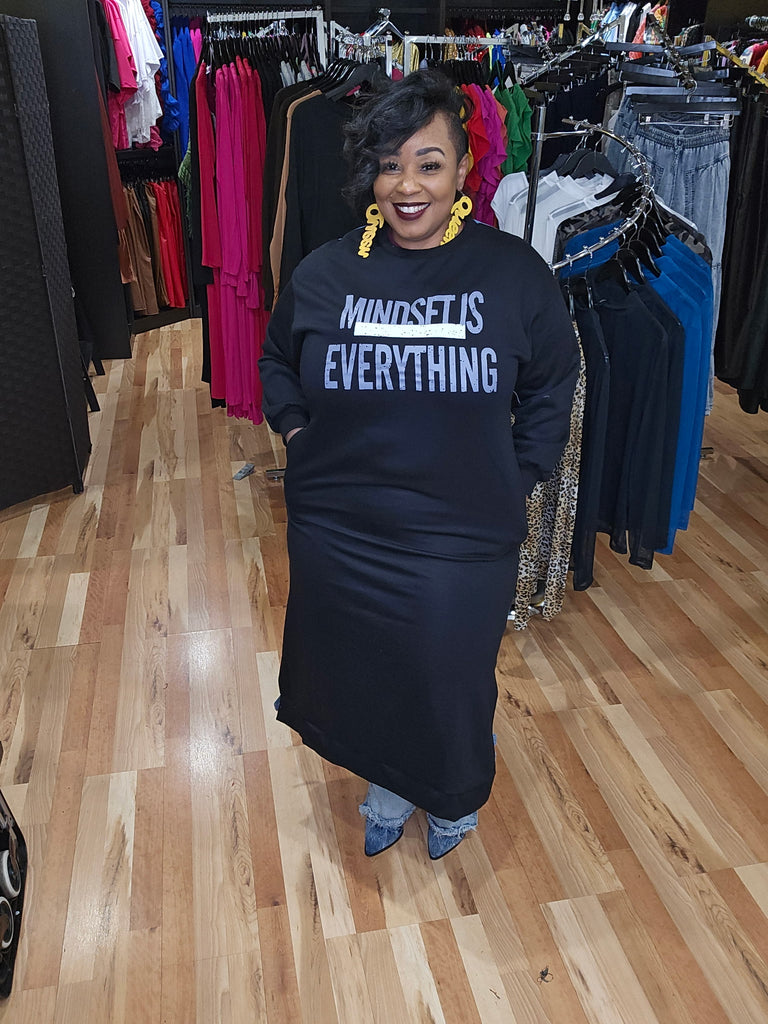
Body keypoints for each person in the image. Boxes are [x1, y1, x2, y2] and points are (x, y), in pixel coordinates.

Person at [258, 70, 578, 859]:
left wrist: (520, 472)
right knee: (365, 671)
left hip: (461, 536)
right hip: (342, 531)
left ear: (464, 168)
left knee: (448, 676)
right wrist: (297, 436)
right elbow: (276, 362)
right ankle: (388, 783)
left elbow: (554, 381)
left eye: (429, 164)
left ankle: (451, 796)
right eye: (390, 165)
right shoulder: (327, 272)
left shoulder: (512, 274)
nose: (408, 186)